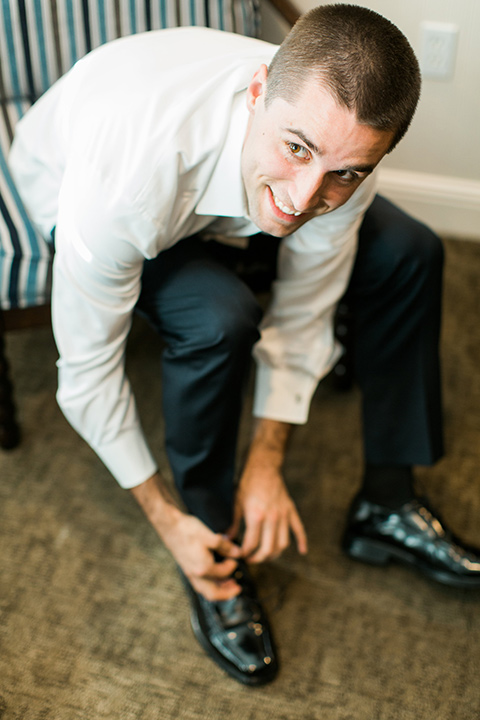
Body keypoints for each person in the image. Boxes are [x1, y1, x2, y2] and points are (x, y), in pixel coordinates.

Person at [9, 3, 480, 687]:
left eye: (345, 172)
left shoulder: (342, 153)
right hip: (76, 184)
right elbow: (86, 371)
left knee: (409, 250)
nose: (305, 195)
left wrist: (268, 458)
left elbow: (304, 308)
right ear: (258, 92)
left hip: (222, 201)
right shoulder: (125, 180)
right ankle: (209, 547)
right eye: (297, 149)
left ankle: (385, 501)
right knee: (218, 318)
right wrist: (164, 519)